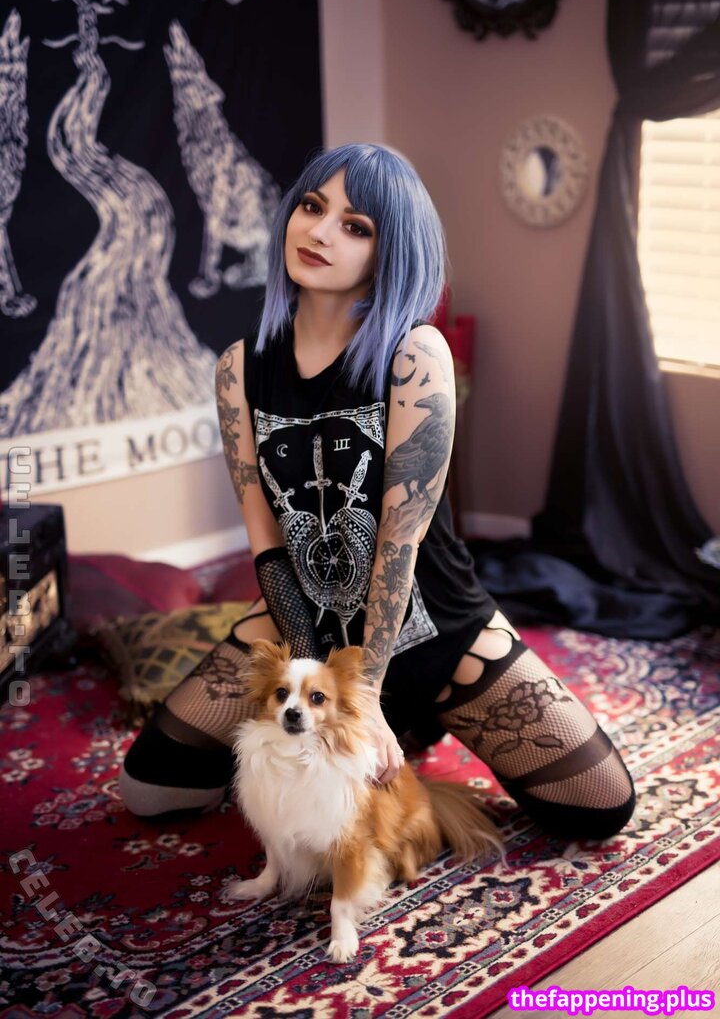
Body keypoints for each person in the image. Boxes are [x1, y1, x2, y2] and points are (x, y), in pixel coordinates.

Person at [119, 143, 635, 840]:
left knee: (600, 805)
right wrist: (310, 681)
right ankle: (358, 758)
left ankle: (415, 723)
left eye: (355, 226)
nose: (320, 232)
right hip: (300, 619)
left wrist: (360, 697)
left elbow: (399, 544)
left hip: (435, 627)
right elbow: (266, 537)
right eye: (312, 206)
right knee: (148, 791)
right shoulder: (239, 368)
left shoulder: (415, 356)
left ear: (387, 252)